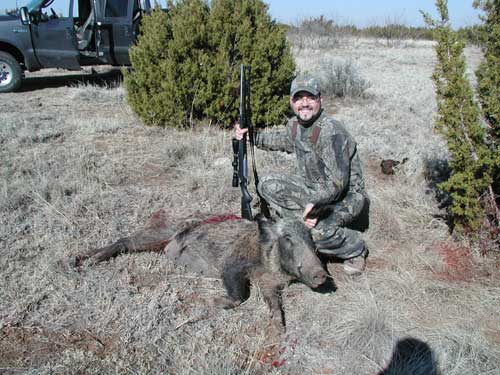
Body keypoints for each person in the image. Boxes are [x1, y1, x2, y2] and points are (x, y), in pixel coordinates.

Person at [235, 74, 368, 275]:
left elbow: (338, 183)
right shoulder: (296, 126)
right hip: (313, 189)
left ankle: (354, 247)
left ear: (320, 100)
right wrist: (249, 135)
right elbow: (279, 141)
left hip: (345, 198)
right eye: (299, 98)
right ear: (291, 102)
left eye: (310, 98)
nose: (304, 103)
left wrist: (314, 208)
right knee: (268, 184)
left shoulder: (332, 133)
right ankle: (301, 223)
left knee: (316, 234)